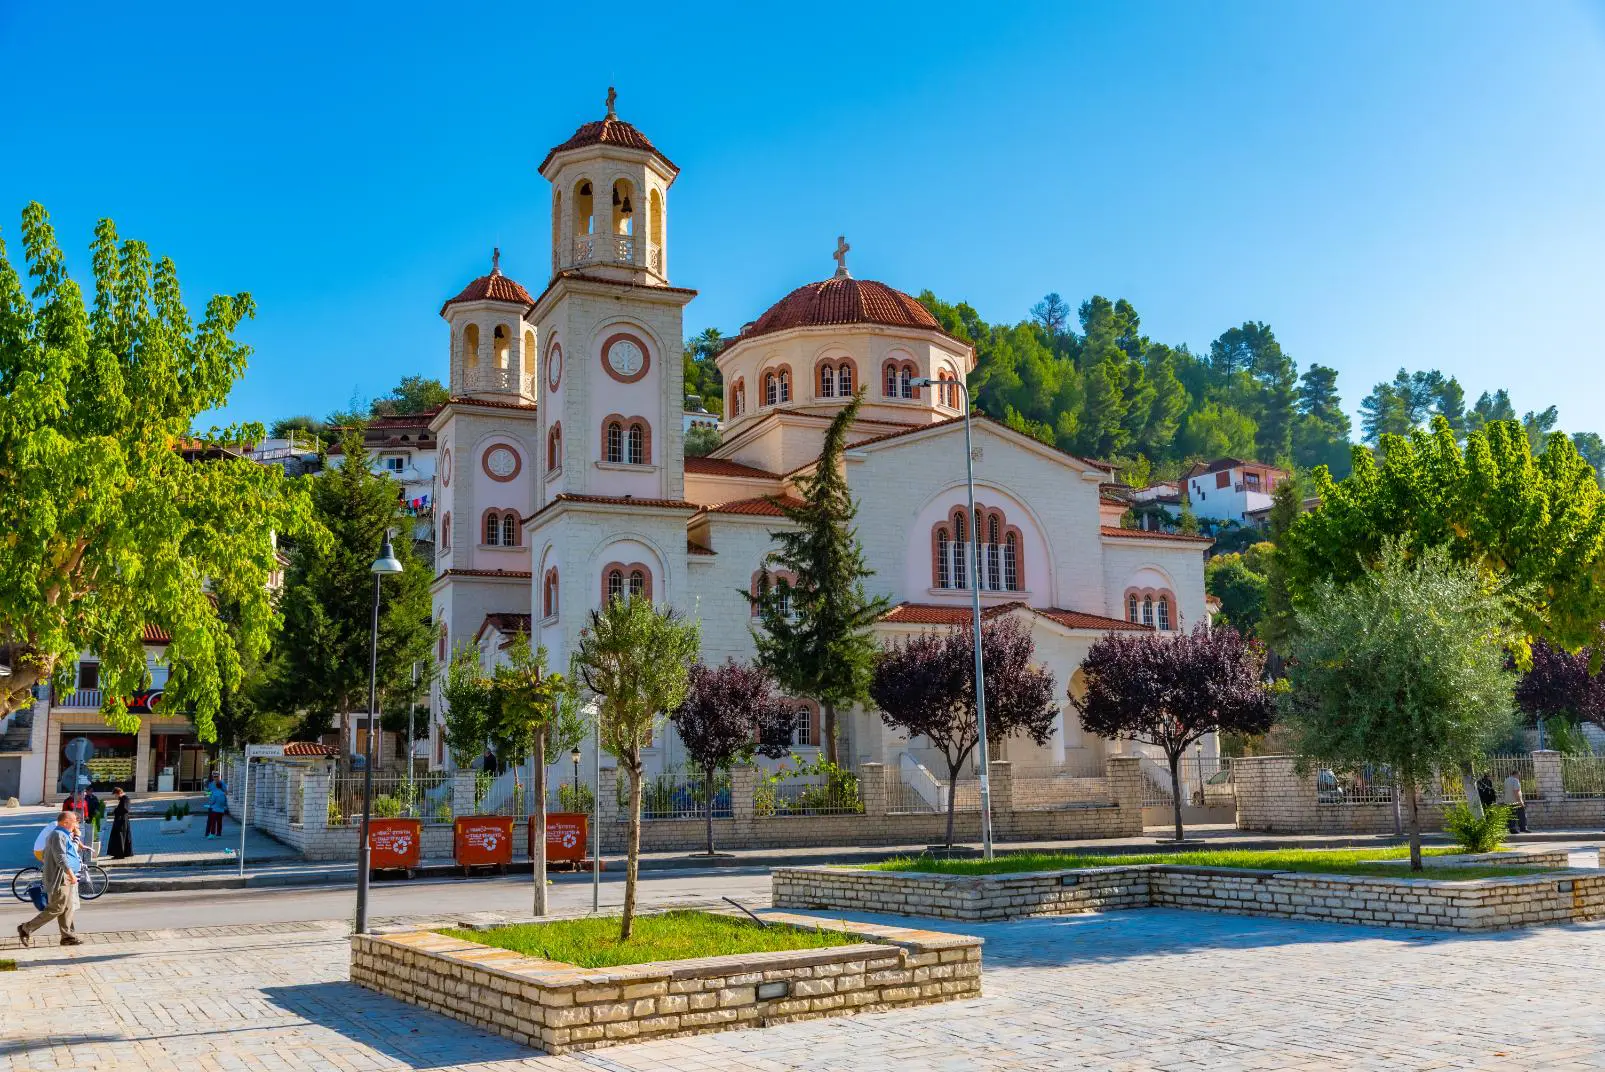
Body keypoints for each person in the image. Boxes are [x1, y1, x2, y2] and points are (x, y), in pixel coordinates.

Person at [16, 809, 83, 947]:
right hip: (61, 877)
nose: (77, 824)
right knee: (57, 908)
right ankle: (26, 928)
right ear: (66, 822)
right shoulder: (58, 835)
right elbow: (61, 858)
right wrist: (71, 874)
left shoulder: (64, 835)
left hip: (67, 877)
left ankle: (67, 937)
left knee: (68, 907)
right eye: (75, 821)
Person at [107, 787, 134, 859]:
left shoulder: (125, 799)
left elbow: (125, 809)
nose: (115, 797)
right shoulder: (123, 799)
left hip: (122, 822)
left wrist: (116, 810)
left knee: (120, 837)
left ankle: (120, 854)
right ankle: (118, 853)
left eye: (115, 795)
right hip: (120, 821)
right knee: (117, 837)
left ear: (119, 793)